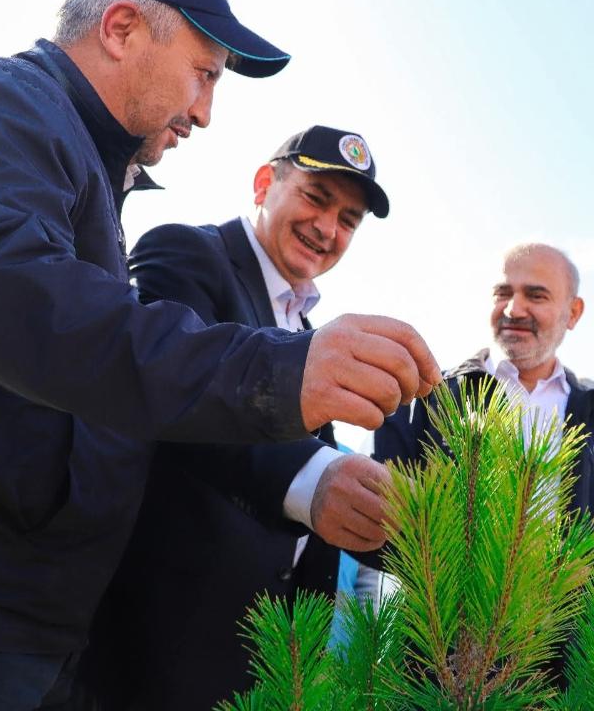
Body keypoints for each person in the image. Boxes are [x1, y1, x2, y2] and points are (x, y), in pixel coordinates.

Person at [0, 0, 440, 709]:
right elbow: (33, 316)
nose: (205, 112)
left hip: (21, 629)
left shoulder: (77, 160)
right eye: (205, 74)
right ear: (121, 29)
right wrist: (280, 374)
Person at [80, 125, 393, 710]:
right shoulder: (187, 254)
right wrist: (316, 478)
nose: (327, 228)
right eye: (316, 198)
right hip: (153, 655)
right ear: (264, 183)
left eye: (348, 220)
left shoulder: (309, 331)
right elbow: (177, 394)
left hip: (258, 672)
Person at [374, 242, 594, 580]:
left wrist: (569, 560)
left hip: (569, 614)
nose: (514, 309)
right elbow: (373, 511)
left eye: (536, 295)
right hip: (443, 613)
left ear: (573, 313)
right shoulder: (430, 397)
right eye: (503, 293)